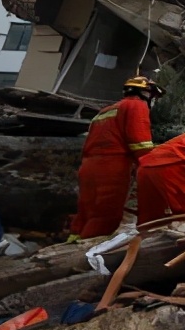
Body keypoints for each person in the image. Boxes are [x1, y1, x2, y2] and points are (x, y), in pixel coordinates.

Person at [70, 75, 163, 238]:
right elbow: (140, 143)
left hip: (88, 166)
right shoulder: (137, 105)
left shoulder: (105, 111)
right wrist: (153, 165)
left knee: (87, 209)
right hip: (112, 167)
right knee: (106, 214)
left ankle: (74, 238)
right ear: (145, 93)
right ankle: (86, 255)